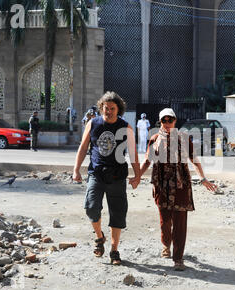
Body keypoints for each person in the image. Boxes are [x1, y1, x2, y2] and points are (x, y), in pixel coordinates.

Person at [138, 108, 217, 271]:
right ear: (160, 122)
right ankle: (166, 244)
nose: (167, 123)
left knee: (180, 224)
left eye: (170, 120)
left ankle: (178, 258)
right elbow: (147, 161)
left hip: (181, 186)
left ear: (175, 121)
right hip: (162, 186)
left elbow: (194, 160)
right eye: (164, 120)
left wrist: (203, 178)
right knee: (165, 221)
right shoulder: (154, 139)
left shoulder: (183, 138)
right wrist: (137, 176)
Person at [73, 91, 140, 266]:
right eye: (105, 108)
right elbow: (82, 148)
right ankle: (99, 237)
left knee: (117, 214)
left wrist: (138, 175)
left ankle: (114, 250)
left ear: (118, 110)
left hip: (117, 176)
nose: (108, 111)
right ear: (101, 107)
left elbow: (133, 154)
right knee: (91, 207)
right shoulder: (93, 123)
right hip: (96, 173)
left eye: (112, 108)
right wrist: (76, 170)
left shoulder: (126, 127)